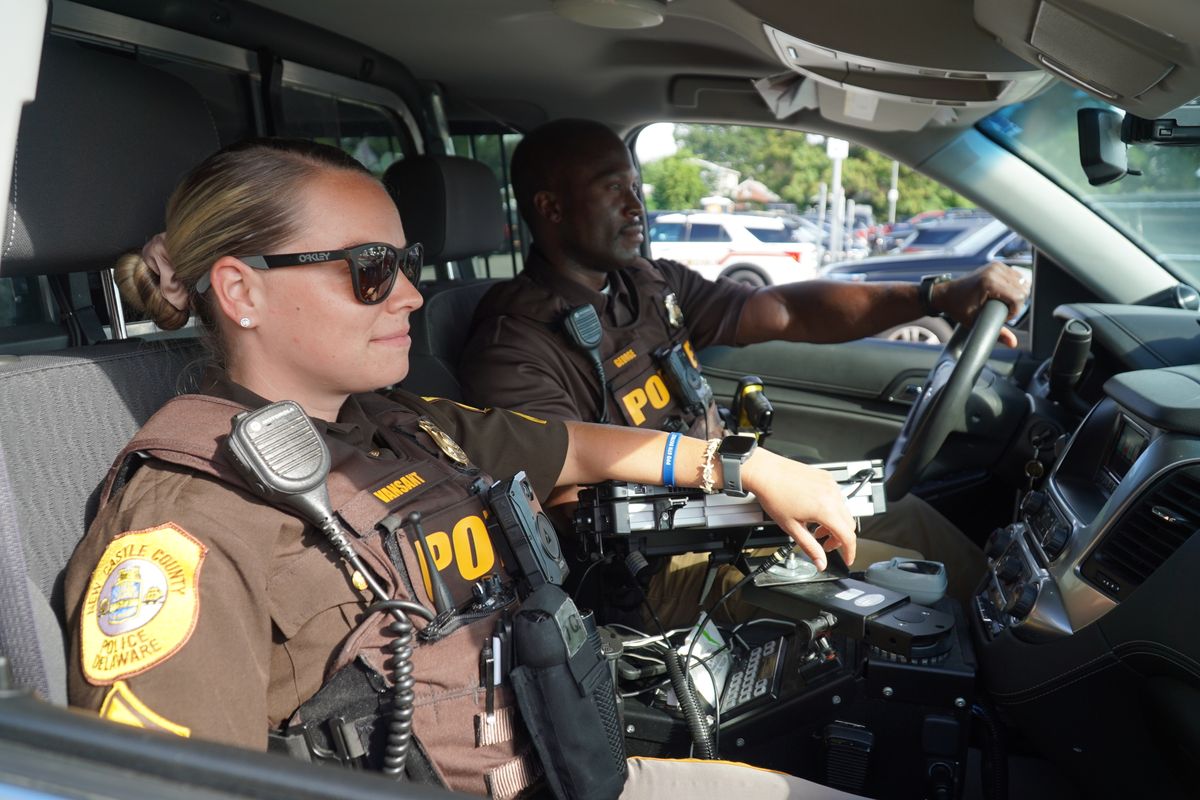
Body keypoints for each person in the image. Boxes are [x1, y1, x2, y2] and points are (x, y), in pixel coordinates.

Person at [64, 138, 868, 799]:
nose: (410, 295)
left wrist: (741, 467)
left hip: (565, 765)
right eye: (371, 269)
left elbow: (578, 445)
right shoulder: (189, 522)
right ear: (242, 290)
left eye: (406, 262)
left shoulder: (400, 426)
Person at [458, 119, 1030, 615]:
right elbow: (566, 506)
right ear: (551, 207)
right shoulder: (515, 342)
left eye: (635, 185)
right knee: (918, 580)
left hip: (733, 507)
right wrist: (736, 486)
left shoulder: (648, 284)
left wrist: (933, 296)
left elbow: (785, 310)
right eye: (613, 189)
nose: (637, 205)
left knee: (913, 520)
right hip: (660, 567)